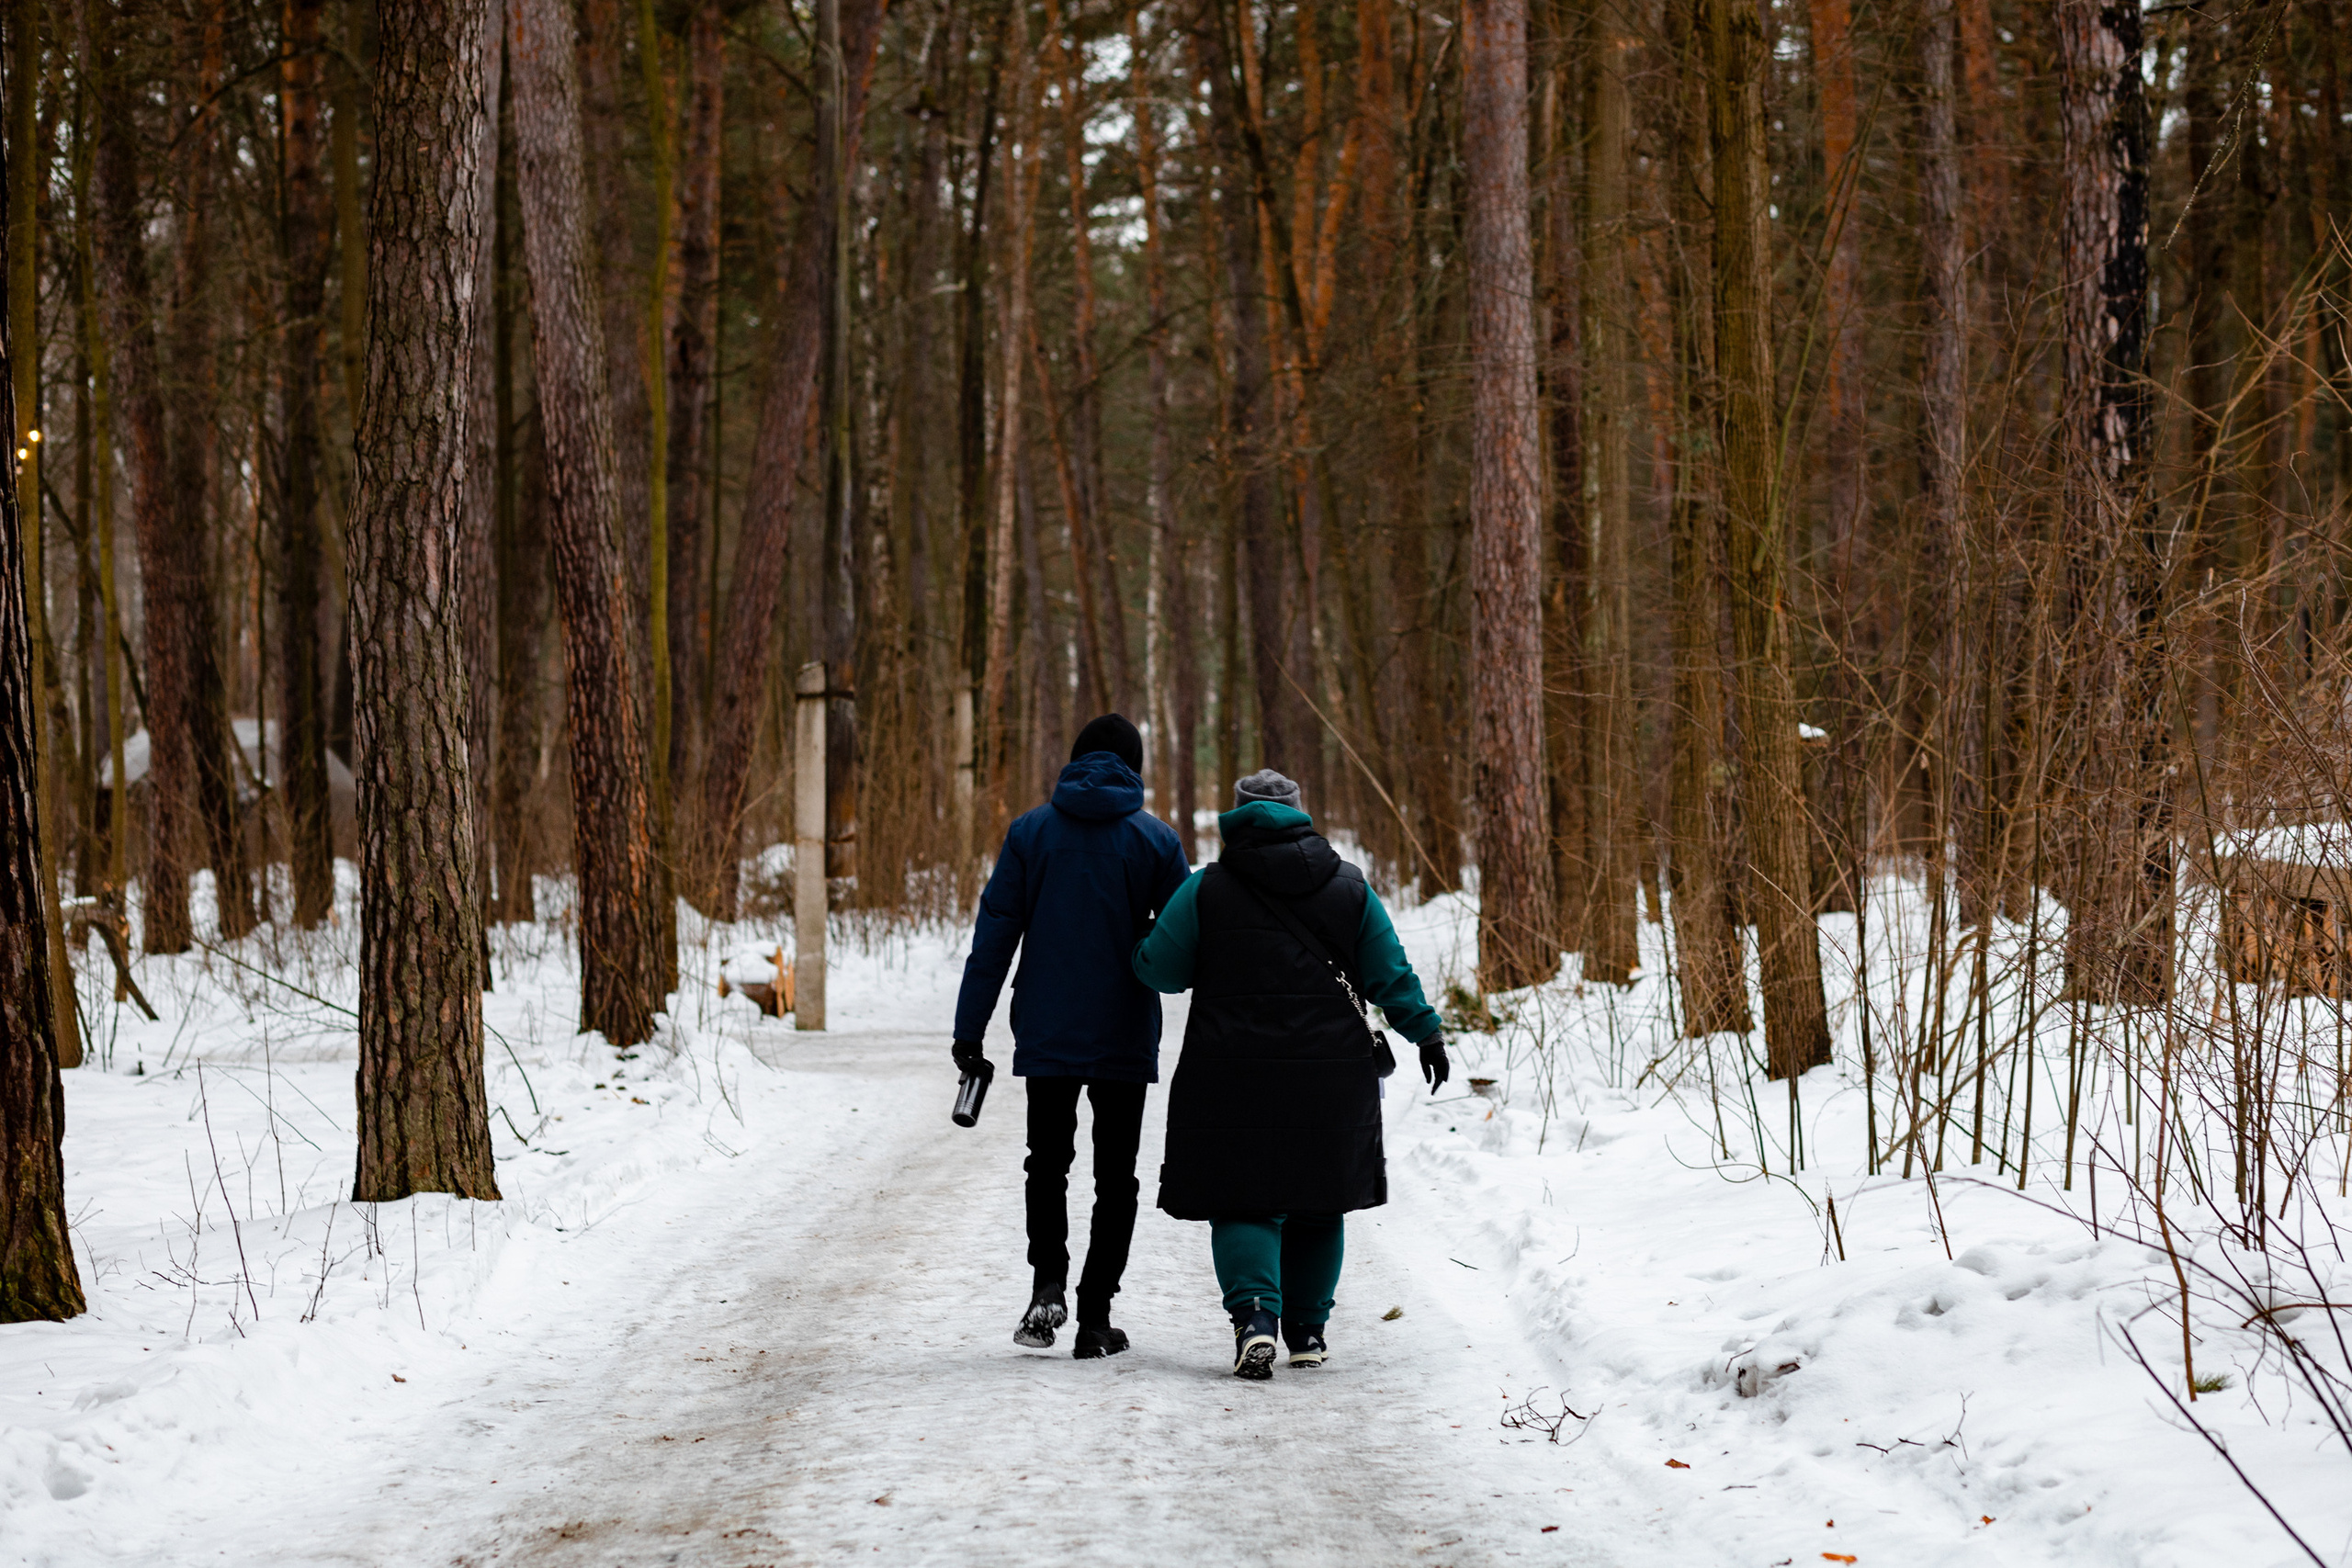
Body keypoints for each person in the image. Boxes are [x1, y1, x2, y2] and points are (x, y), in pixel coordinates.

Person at [1131, 768, 1448, 1381]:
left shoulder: (1205, 890)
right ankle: (1307, 1329)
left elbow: (1160, 971)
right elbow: (1389, 973)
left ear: (1237, 816)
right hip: (1332, 1072)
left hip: (1229, 1071)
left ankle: (1255, 1318)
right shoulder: (1349, 886)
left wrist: (1144, 940)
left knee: (1241, 1197)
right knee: (1321, 1200)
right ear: (1301, 815)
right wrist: (1426, 1033)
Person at [952, 714, 1192, 1359]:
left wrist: (969, 1032)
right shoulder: (1157, 840)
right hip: (1123, 1029)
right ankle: (1095, 1318)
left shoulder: (1031, 832)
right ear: (1134, 766)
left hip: (1048, 1028)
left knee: (1047, 1164)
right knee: (1117, 1178)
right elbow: (1184, 943)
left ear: (1076, 758)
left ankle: (1047, 1284)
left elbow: (994, 935)